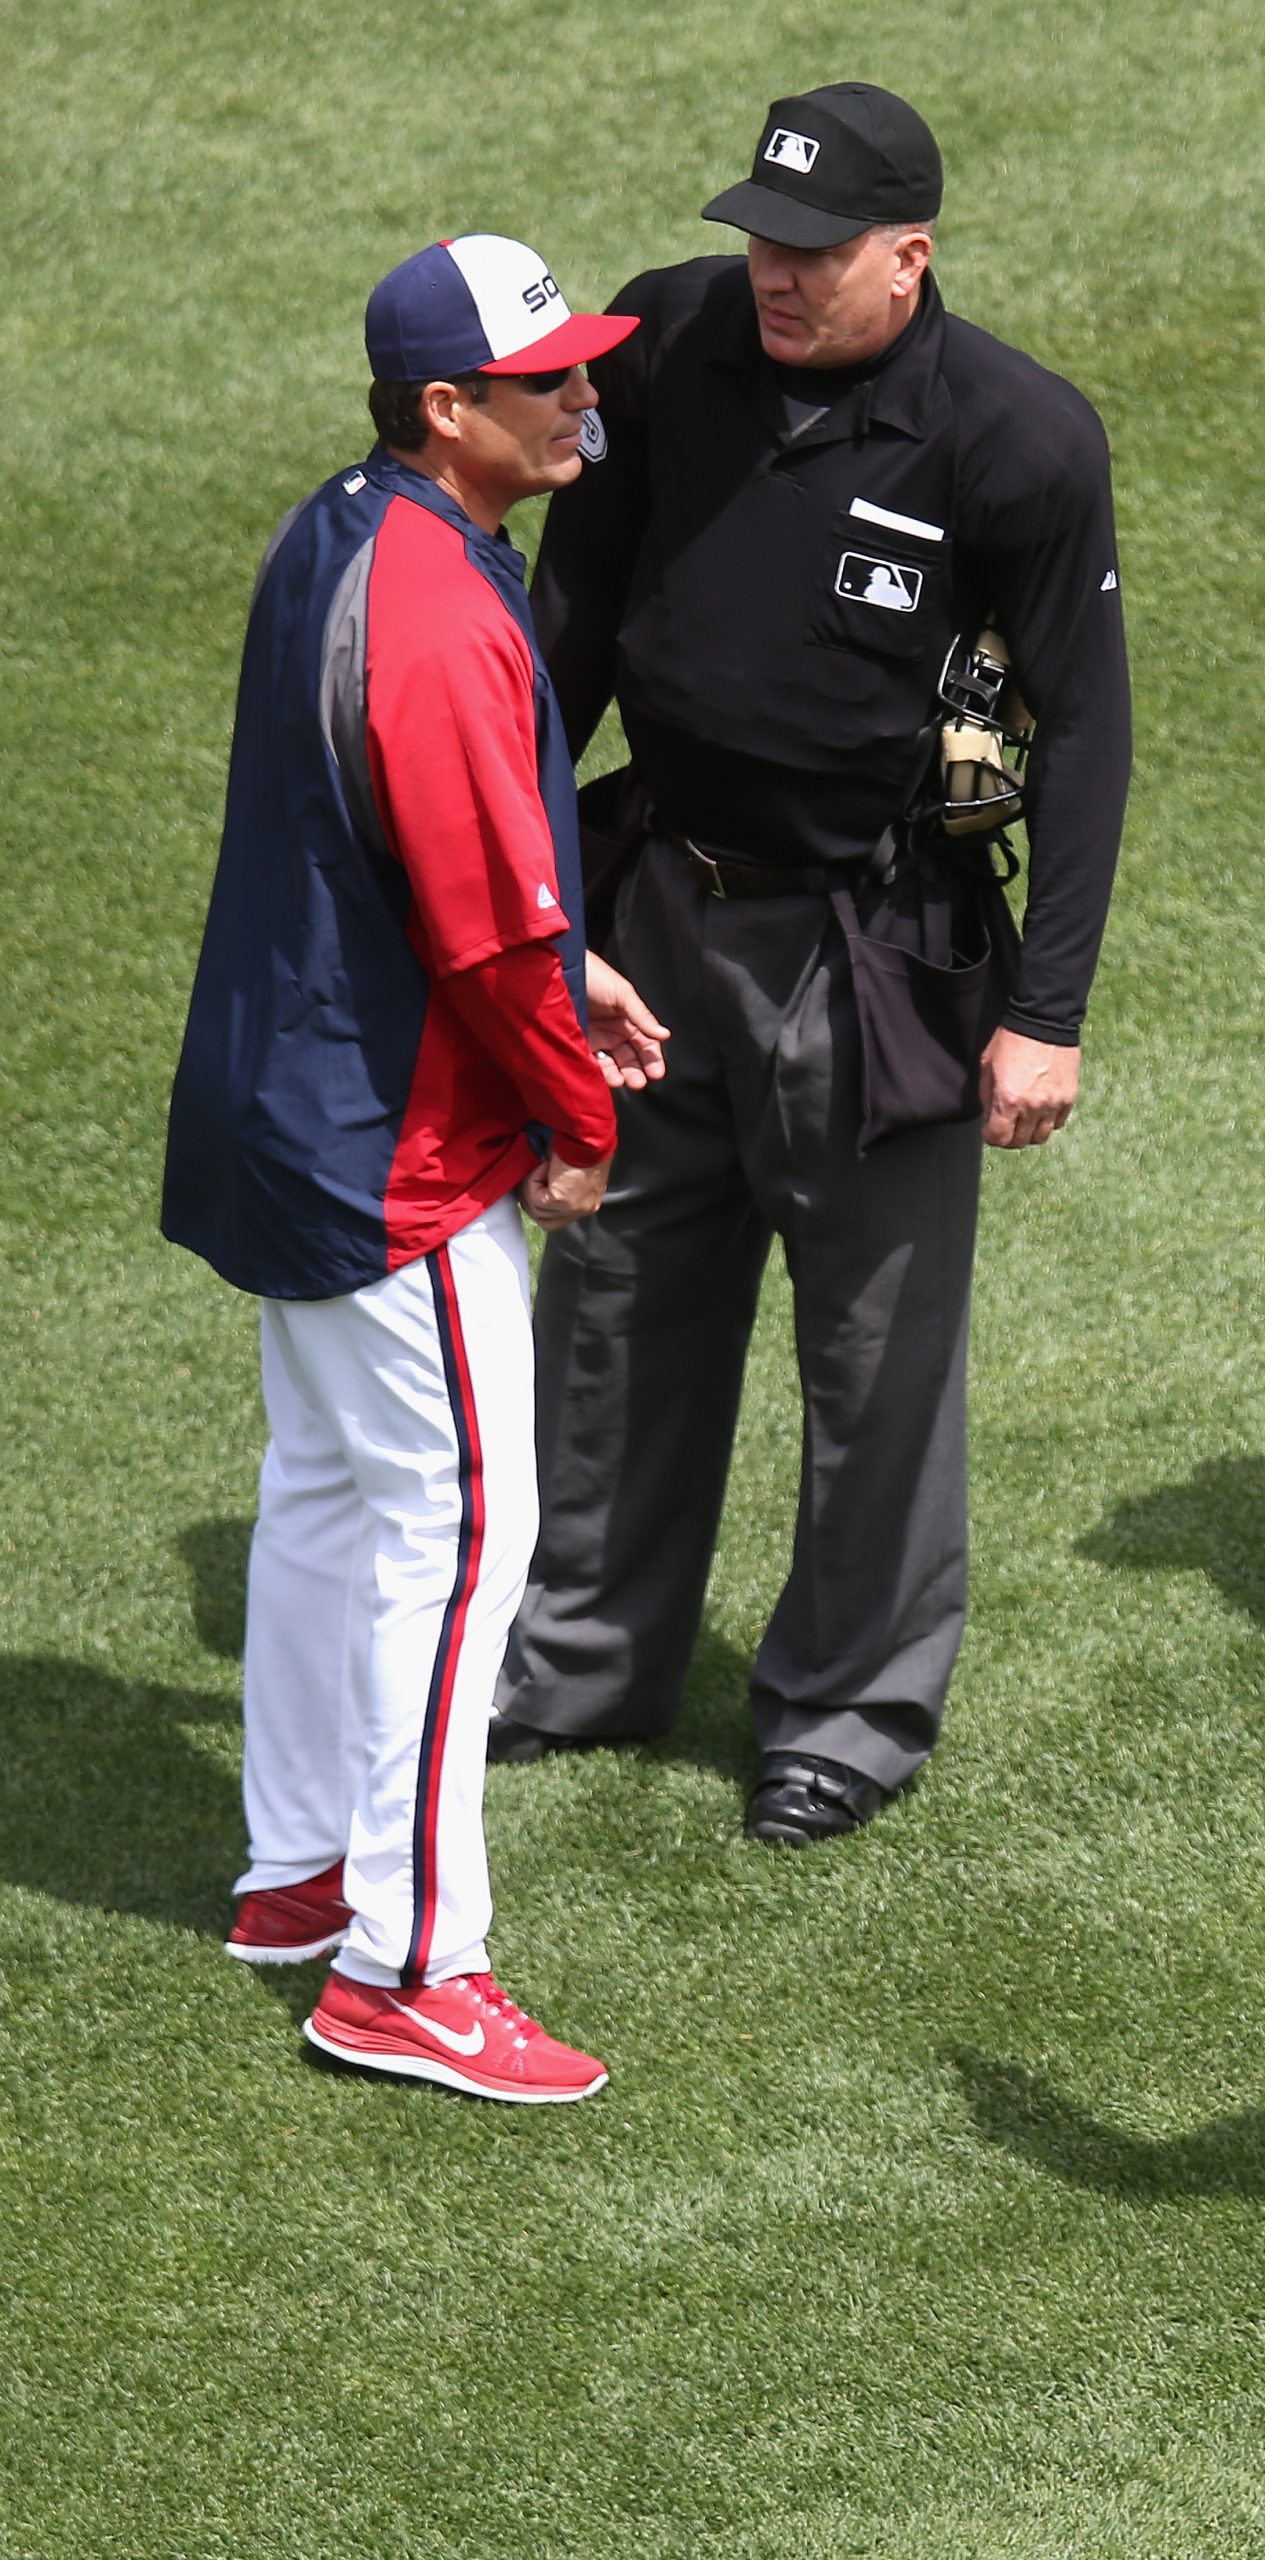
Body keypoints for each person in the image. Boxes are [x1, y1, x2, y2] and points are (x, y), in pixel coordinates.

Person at [487, 84, 1133, 1846]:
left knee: (874, 1351)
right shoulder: (674, 337)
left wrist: (1046, 1018)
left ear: (909, 255)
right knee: (613, 1294)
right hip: (658, 916)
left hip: (878, 944)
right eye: (760, 238)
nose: (774, 275)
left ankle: (846, 1713)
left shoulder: (1014, 437)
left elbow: (1083, 736)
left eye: (817, 251)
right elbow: (573, 620)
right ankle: (584, 1655)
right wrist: (528, 904)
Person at [162, 236, 669, 2099]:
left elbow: (404, 858)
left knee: (324, 1498)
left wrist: (563, 959)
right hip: (394, 1141)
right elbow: (472, 931)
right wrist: (577, 1116)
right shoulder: (448, 609)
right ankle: (406, 1970)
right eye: (547, 383)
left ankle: (299, 1871)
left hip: (287, 1101)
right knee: (463, 1541)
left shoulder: (348, 528)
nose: (585, 401)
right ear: (443, 407)